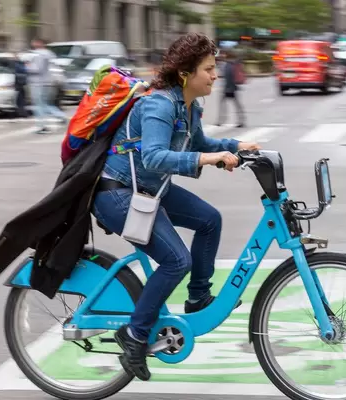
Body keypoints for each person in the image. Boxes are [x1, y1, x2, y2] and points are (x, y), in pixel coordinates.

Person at [91, 33, 261, 381]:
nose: (216, 75)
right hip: (118, 192)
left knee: (209, 220)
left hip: (148, 189)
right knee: (176, 260)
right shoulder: (160, 104)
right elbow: (153, 156)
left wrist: (236, 145)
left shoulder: (189, 106)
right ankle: (136, 334)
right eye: (209, 69)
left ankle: (198, 298)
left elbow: (200, 143)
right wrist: (210, 158)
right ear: (186, 73)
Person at [216, 50, 245, 127]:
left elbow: (227, 77)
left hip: (228, 89)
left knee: (224, 105)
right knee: (237, 105)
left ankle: (221, 120)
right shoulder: (234, 64)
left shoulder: (227, 65)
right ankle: (241, 121)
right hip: (232, 88)